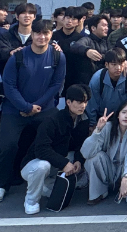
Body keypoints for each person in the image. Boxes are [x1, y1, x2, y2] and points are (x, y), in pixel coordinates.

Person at [0, 19, 66, 205]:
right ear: (31, 35)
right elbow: (9, 85)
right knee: (7, 146)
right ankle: (0, 185)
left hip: (44, 109)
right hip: (14, 110)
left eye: (46, 33)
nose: (42, 37)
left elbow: (57, 84)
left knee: (54, 143)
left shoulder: (58, 56)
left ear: (51, 35)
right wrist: (25, 107)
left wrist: (36, 106)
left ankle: (47, 181)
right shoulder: (18, 56)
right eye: (38, 33)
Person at [20, 84, 90, 215]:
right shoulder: (52, 120)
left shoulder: (84, 119)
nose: (83, 106)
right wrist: (64, 164)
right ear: (68, 102)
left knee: (81, 157)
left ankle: (46, 186)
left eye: (85, 102)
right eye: (79, 102)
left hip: (56, 161)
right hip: (33, 163)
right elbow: (41, 149)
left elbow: (81, 145)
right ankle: (31, 200)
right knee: (42, 166)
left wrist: (78, 160)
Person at [81, 100, 127, 205]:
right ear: (118, 115)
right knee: (94, 158)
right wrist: (98, 130)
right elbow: (86, 153)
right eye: (124, 112)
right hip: (110, 168)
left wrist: (125, 177)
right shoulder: (108, 127)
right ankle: (98, 193)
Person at [86, 46, 127, 120]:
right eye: (114, 64)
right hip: (102, 117)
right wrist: (93, 123)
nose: (118, 68)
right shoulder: (97, 78)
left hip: (124, 117)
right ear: (106, 65)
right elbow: (92, 104)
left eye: (121, 64)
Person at [52, 6, 89, 93]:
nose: (69, 21)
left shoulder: (81, 39)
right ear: (63, 19)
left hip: (73, 78)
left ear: (78, 22)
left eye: (74, 19)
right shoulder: (53, 36)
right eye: (68, 17)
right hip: (54, 76)